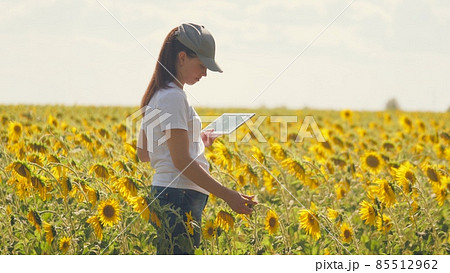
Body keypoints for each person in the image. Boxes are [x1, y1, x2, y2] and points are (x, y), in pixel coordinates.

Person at [137, 23, 257, 254]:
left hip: (166, 193)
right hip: (179, 197)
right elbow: (181, 162)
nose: (204, 73)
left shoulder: (158, 95)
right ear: (182, 57)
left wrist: (196, 141)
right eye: (201, 65)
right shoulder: (174, 97)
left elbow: (144, 154)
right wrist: (227, 195)